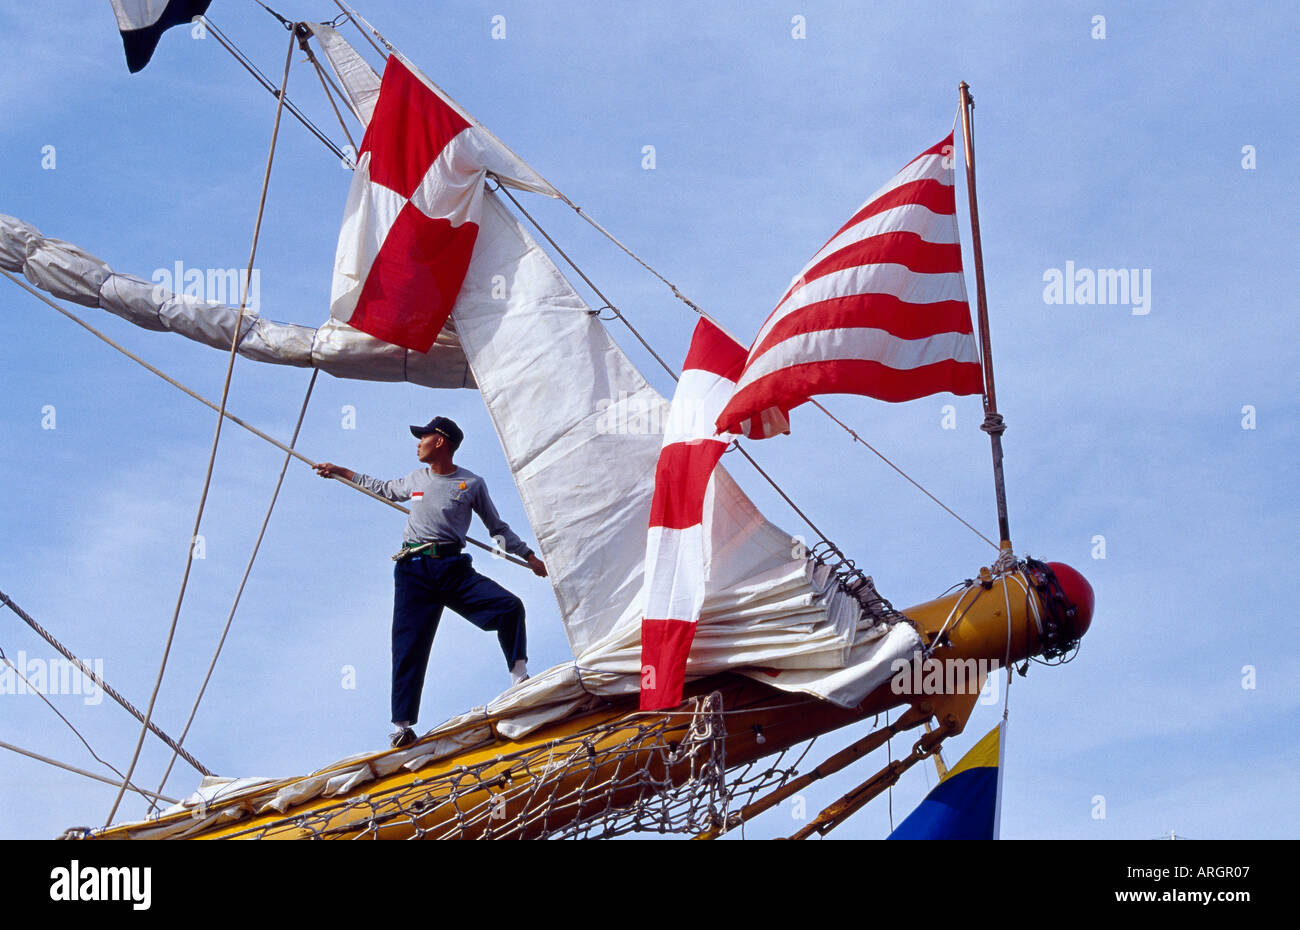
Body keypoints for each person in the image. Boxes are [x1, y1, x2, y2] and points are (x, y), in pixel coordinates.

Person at [315, 416, 547, 749]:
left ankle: (519, 678)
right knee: (409, 644)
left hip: (452, 568)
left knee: (509, 607)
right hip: (413, 571)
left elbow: (497, 528)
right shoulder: (416, 479)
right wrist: (340, 471)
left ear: (440, 441)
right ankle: (401, 726)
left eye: (422, 437)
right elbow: (382, 488)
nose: (417, 443)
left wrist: (529, 557)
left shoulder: (471, 484)